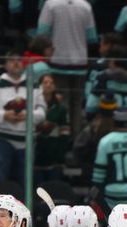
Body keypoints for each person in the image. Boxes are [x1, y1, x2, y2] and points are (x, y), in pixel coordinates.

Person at [0, 52, 46, 184]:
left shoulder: (34, 85)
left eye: (19, 60)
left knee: (25, 181)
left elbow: (42, 113)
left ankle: (24, 205)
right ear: (5, 65)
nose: (16, 63)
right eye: (11, 60)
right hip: (2, 138)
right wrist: (4, 115)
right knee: (0, 177)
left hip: (27, 139)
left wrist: (27, 115)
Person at [36, 0, 98, 133]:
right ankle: (76, 139)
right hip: (80, 62)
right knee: (77, 103)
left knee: (60, 101)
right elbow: (92, 37)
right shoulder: (86, 6)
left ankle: (62, 137)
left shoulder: (50, 4)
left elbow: (42, 33)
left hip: (58, 60)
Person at [86, 44, 127, 123]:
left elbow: (91, 105)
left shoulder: (103, 77)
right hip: (126, 124)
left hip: (106, 123)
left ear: (112, 61)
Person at [35, 74, 70, 181]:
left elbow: (65, 133)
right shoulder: (33, 106)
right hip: (36, 155)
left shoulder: (61, 109)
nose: (48, 85)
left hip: (54, 156)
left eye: (51, 83)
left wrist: (59, 154)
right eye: (45, 82)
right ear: (39, 86)